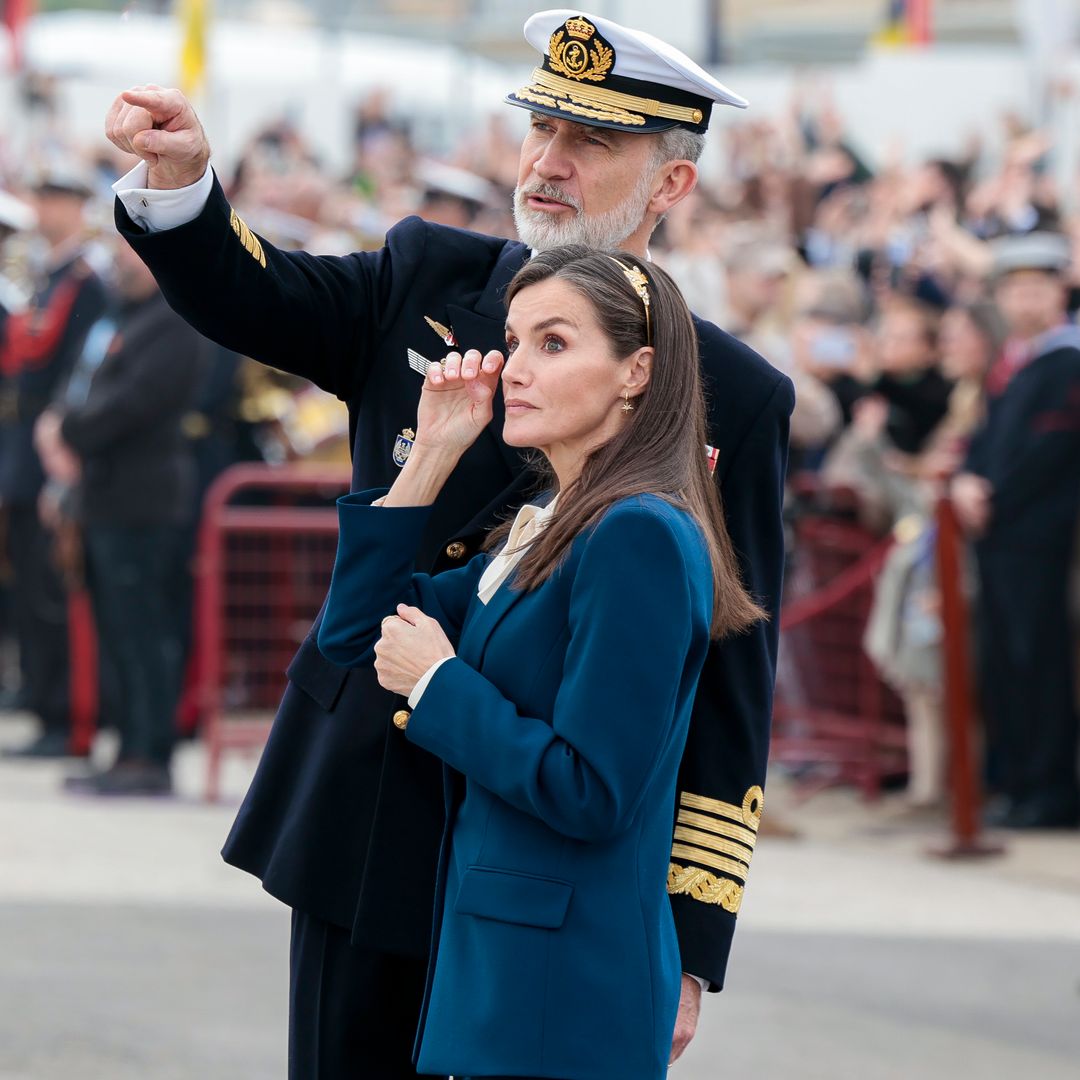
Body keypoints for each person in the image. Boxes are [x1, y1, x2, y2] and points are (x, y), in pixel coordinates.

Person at [105, 11, 794, 1076]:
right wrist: (188, 186)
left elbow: (731, 678)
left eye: (591, 144)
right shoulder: (429, 276)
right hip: (373, 812)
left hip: (551, 861)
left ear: (670, 186)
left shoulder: (734, 393)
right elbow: (258, 293)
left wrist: (692, 938)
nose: (549, 164)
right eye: (540, 131)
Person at [320, 247, 764, 1080]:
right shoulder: (553, 520)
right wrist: (431, 456)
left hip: (569, 981)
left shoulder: (638, 534)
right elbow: (356, 633)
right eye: (516, 341)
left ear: (637, 371)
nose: (516, 369)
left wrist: (437, 683)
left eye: (553, 344)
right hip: (509, 966)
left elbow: (591, 789)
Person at [35, 240, 205, 795]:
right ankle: (127, 750)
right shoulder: (120, 316)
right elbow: (85, 384)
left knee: (144, 633)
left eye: (134, 255)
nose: (122, 264)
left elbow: (137, 401)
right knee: (120, 632)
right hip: (107, 495)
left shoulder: (176, 321)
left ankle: (148, 755)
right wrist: (60, 422)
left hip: (144, 499)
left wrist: (70, 432)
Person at [952, 232, 1080, 829]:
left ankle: (1048, 788)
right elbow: (987, 442)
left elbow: (1050, 449)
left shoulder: (1067, 359)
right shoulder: (1017, 364)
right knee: (1006, 660)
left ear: (1060, 290)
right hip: (1001, 533)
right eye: (1015, 289)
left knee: (1040, 659)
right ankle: (1019, 780)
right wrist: (969, 481)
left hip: (1043, 536)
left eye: (1037, 287)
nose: (1025, 300)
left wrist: (990, 492)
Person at [0, 166, 107, 760]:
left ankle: (63, 713)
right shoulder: (44, 279)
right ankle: (43, 702)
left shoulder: (84, 284)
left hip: (54, 451)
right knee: (29, 587)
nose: (43, 209)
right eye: (41, 198)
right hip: (22, 450)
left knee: (51, 589)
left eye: (54, 199)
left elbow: (76, 373)